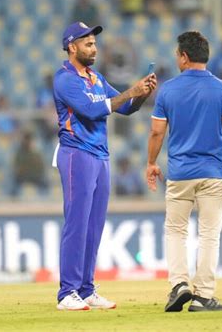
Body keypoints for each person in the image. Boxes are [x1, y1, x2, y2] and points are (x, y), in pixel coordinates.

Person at [146, 31, 222, 312]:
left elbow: (157, 131)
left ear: (184, 57)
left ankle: (179, 285)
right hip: (212, 173)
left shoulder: (168, 90)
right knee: (209, 234)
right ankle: (203, 295)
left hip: (180, 173)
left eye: (177, 55)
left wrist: (151, 162)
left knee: (175, 231)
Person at [53, 21, 157, 311]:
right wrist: (129, 90)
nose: (94, 48)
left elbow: (124, 107)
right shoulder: (65, 79)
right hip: (77, 154)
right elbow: (92, 109)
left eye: (95, 43)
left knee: (94, 226)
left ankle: (86, 289)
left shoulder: (95, 77)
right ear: (72, 47)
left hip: (100, 156)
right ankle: (66, 293)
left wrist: (142, 93)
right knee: (77, 224)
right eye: (88, 43)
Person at [12, 131, 48, 196]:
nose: (27, 142)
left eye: (29, 140)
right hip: (23, 176)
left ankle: (44, 201)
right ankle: (14, 199)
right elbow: (17, 167)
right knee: (13, 183)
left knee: (45, 183)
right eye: (26, 139)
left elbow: (41, 166)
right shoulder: (19, 153)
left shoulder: (36, 153)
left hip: (35, 176)